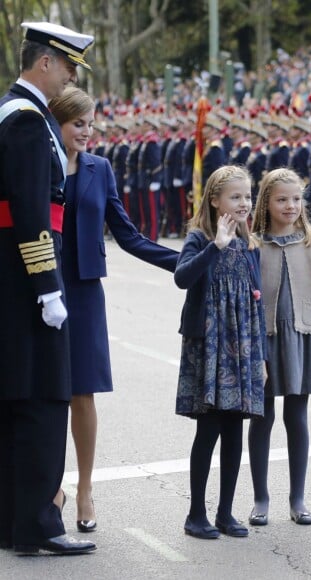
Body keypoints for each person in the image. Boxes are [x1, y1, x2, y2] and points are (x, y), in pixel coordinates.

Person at [48, 86, 179, 532]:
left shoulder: (100, 168)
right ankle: (51, 486)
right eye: (77, 123)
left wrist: (187, 261)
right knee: (44, 394)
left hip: (83, 292)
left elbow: (128, 235)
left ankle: (84, 488)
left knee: (81, 393)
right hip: (38, 284)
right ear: (57, 122)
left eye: (90, 124)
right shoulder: (35, 160)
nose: (86, 132)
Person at [0, 21, 96, 555]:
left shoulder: (9, 113)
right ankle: (39, 524)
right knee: (41, 401)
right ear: (44, 63)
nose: (68, 77)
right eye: (66, 66)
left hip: (9, 278)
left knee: (15, 397)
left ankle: (15, 523)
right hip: (27, 281)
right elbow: (34, 212)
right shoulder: (30, 121)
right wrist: (48, 288)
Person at [248, 168, 311, 526]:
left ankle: (298, 499)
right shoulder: (254, 241)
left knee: (297, 417)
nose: (290, 205)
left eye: (296, 199)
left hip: (302, 335)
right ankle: (261, 498)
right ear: (267, 201)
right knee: (261, 417)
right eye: (282, 199)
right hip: (264, 339)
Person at [174, 165, 266, 540]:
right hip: (209, 346)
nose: (243, 203)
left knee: (234, 431)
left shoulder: (250, 246)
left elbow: (256, 302)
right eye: (235, 197)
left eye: (247, 196)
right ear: (214, 200)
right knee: (208, 429)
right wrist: (216, 247)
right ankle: (196, 513)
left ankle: (226, 512)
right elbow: (182, 278)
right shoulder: (200, 238)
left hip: (241, 348)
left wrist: (259, 356)